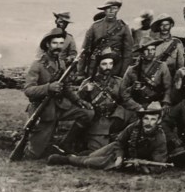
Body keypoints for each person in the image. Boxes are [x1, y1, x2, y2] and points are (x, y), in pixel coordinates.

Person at [23, 29, 94, 160]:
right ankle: (22, 140)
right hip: (43, 110)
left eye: (61, 43)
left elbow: (65, 86)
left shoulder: (61, 63)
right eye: (55, 43)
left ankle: (65, 143)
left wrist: (78, 101)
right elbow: (28, 90)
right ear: (48, 45)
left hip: (60, 106)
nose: (58, 47)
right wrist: (48, 87)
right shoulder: (37, 65)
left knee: (88, 113)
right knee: (33, 155)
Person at [47, 102, 169, 173]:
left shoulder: (160, 138)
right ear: (142, 119)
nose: (148, 122)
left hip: (128, 160)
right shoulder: (133, 127)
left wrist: (141, 167)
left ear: (158, 121)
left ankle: (66, 159)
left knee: (89, 162)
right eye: (146, 118)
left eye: (153, 119)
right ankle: (81, 155)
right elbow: (119, 142)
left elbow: (158, 165)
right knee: (92, 156)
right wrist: (119, 156)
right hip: (117, 150)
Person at [68, 48, 127, 153]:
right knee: (98, 151)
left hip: (114, 120)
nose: (108, 67)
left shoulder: (119, 82)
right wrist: (84, 91)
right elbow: (77, 102)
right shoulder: (88, 82)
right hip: (98, 122)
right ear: (98, 65)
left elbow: (126, 100)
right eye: (104, 64)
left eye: (110, 64)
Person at [80, 0, 134, 78]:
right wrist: (80, 72)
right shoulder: (95, 26)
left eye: (114, 8)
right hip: (95, 67)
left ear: (118, 9)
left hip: (115, 67)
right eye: (108, 8)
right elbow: (84, 51)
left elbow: (128, 53)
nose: (111, 11)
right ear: (104, 10)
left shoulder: (124, 27)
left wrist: (123, 74)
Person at [120, 38, 173, 116]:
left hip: (157, 104)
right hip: (137, 106)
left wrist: (165, 103)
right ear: (141, 52)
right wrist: (137, 107)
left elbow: (168, 88)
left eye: (153, 49)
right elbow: (123, 93)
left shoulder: (162, 66)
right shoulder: (132, 70)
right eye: (147, 50)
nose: (150, 52)